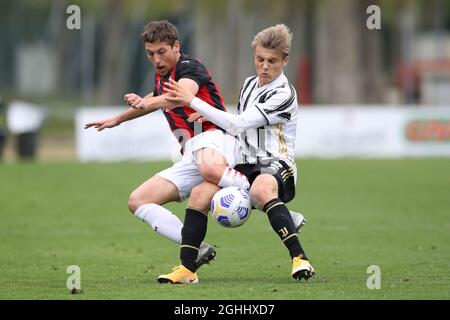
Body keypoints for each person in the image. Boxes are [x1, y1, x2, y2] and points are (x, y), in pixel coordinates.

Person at [84, 20, 251, 268]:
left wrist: (146, 103)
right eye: (150, 54)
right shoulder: (163, 76)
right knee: (138, 200)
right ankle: (194, 246)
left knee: (209, 169)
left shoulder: (190, 67)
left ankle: (262, 196)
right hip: (192, 151)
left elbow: (177, 97)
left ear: (176, 46)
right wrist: (118, 119)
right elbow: (154, 98)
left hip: (217, 137)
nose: (156, 59)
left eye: (161, 52)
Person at [158, 24, 314, 283]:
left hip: (276, 165)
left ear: (285, 61)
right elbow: (239, 124)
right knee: (198, 194)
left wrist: (194, 101)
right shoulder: (249, 84)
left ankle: (300, 259)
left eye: (272, 61)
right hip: (244, 164)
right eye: (260, 59)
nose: (264, 66)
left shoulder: (283, 94)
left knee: (261, 189)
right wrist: (212, 116)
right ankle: (187, 269)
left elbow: (238, 123)